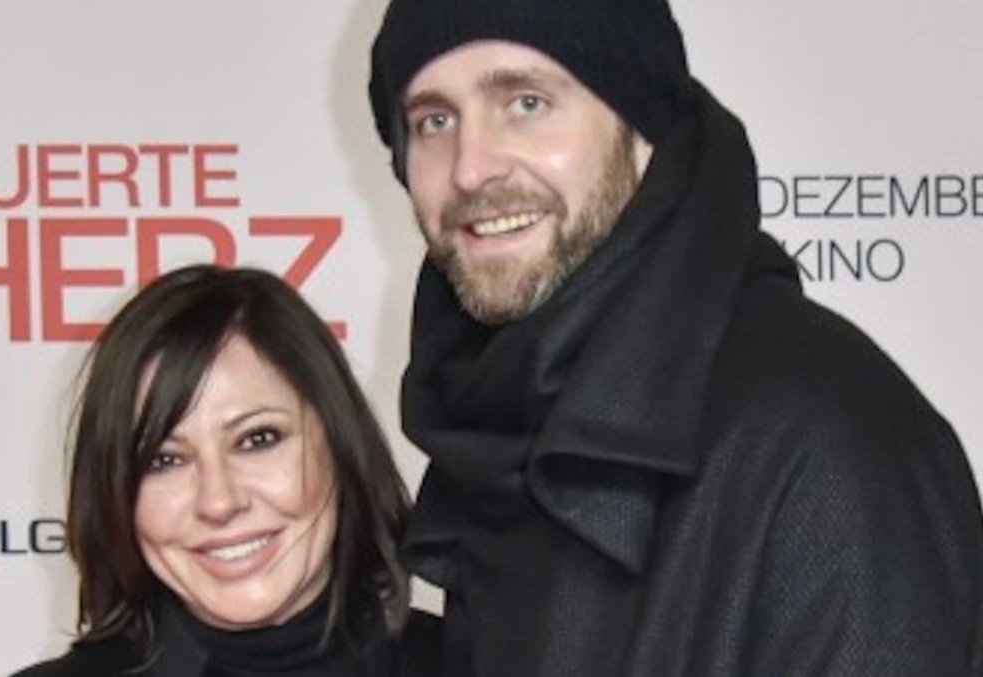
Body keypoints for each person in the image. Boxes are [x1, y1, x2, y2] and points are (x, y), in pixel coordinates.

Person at [365, 0, 983, 675]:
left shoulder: (826, 441)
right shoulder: (490, 423)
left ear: (643, 124)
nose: (470, 167)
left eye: (526, 103)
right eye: (434, 120)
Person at [10, 265, 440, 677]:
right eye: (164, 460)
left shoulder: (468, 663)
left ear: (339, 442)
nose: (218, 502)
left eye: (258, 439)